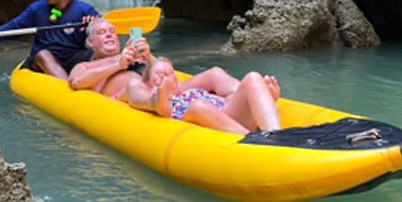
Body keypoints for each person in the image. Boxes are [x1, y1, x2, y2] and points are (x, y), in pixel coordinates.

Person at [119, 57, 282, 135]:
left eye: (170, 73)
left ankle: (277, 135)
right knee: (198, 107)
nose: (167, 75)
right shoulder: (154, 95)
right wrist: (162, 91)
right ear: (148, 82)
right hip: (202, 121)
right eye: (160, 74)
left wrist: (263, 97)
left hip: (227, 116)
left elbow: (227, 100)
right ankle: (253, 138)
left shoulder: (188, 92)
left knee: (253, 77)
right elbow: (160, 109)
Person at [67, 17, 154, 97]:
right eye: (101, 32)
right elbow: (76, 83)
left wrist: (149, 56)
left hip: (155, 89)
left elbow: (165, 69)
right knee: (134, 85)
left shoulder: (136, 56)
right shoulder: (85, 66)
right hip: (131, 95)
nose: (109, 35)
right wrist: (118, 65)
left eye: (112, 31)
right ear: (90, 42)